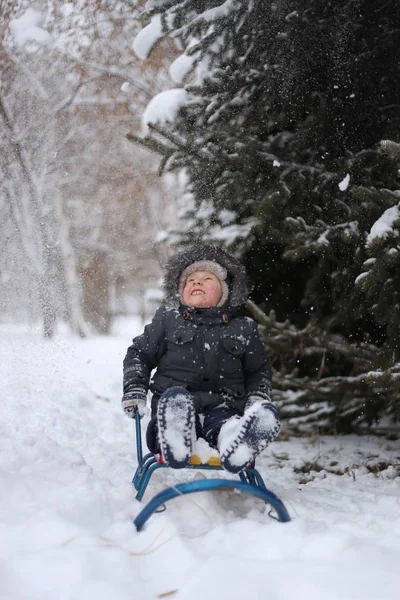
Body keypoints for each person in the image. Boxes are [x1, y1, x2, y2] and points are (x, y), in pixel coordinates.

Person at [122, 245, 280, 474]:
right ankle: (177, 435)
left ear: (226, 291)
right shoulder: (168, 320)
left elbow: (258, 370)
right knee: (175, 410)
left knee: (226, 426)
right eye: (190, 280)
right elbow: (139, 354)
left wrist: (257, 397)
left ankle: (236, 442)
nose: (196, 282)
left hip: (224, 406)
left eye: (207, 278)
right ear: (181, 291)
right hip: (173, 404)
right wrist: (135, 387)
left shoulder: (244, 328)